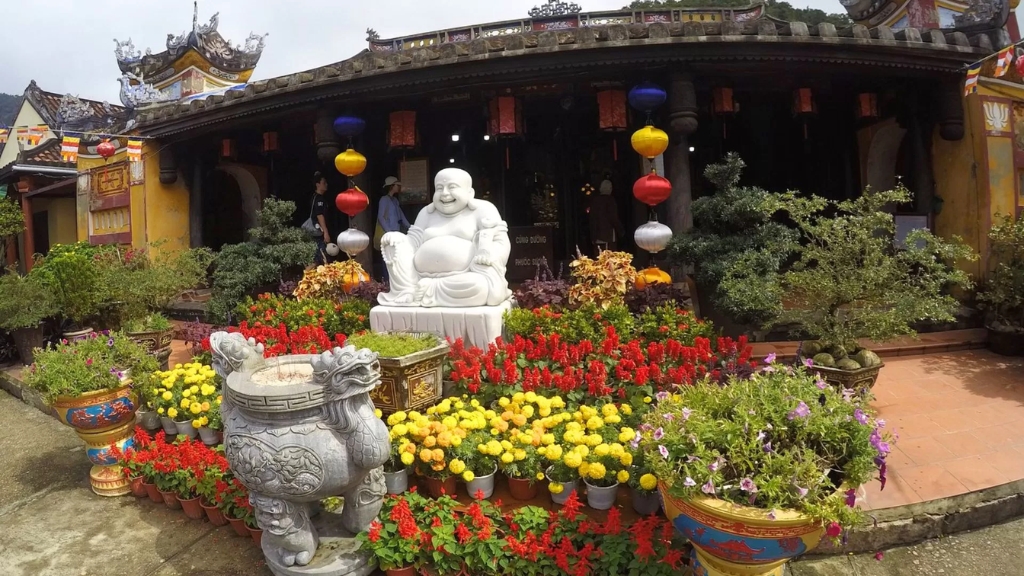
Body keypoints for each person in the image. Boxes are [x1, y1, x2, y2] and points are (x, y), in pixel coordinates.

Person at [377, 168, 512, 307]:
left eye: (452, 187)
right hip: (418, 276)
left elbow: (501, 242)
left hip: (464, 277)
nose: (445, 193)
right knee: (395, 245)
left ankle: (427, 290)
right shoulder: (426, 213)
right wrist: (397, 238)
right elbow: (413, 240)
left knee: (480, 287)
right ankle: (409, 290)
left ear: (469, 193)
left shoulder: (483, 209)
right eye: (439, 188)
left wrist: (488, 253)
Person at [376, 176, 411, 281]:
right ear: (392, 186)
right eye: (397, 185)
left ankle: (394, 280)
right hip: (388, 235)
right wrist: (389, 232)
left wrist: (411, 227)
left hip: (396, 234)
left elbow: (401, 216)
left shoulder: (395, 201)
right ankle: (386, 281)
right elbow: (381, 217)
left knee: (395, 258)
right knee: (387, 258)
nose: (399, 187)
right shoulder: (384, 200)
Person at [588, 179, 625, 253]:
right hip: (609, 235)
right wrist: (620, 230)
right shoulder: (610, 200)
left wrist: (593, 235)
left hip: (597, 235)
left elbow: (592, 219)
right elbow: (613, 218)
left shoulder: (595, 201)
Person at [312, 171, 330, 266]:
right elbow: (319, 215)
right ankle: (306, 276)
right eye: (324, 183)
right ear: (317, 184)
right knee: (321, 257)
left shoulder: (314, 197)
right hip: (318, 231)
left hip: (315, 231)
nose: (326, 185)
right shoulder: (319, 199)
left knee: (318, 258)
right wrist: (326, 232)